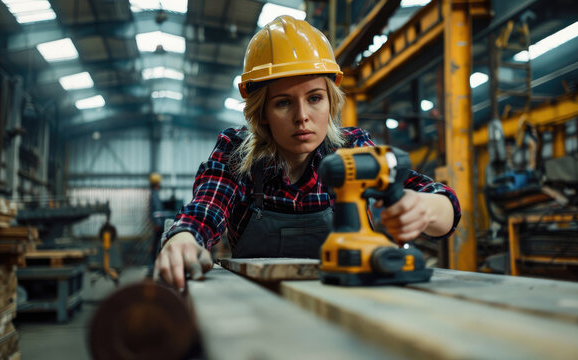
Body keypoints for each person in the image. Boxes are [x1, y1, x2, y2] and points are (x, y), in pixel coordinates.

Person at [155, 16, 461, 289]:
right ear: (262, 112)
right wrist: (184, 237)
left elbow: (443, 202)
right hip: (257, 309)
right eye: (283, 103)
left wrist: (424, 208)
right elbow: (207, 207)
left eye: (314, 98)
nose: (302, 116)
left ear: (330, 101)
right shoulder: (236, 153)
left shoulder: (353, 148)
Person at [148, 172, 164, 274]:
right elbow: (157, 210)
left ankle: (153, 265)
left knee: (156, 245)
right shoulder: (155, 195)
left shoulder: (154, 193)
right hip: (158, 224)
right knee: (156, 245)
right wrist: (158, 223)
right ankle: (153, 266)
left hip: (157, 223)